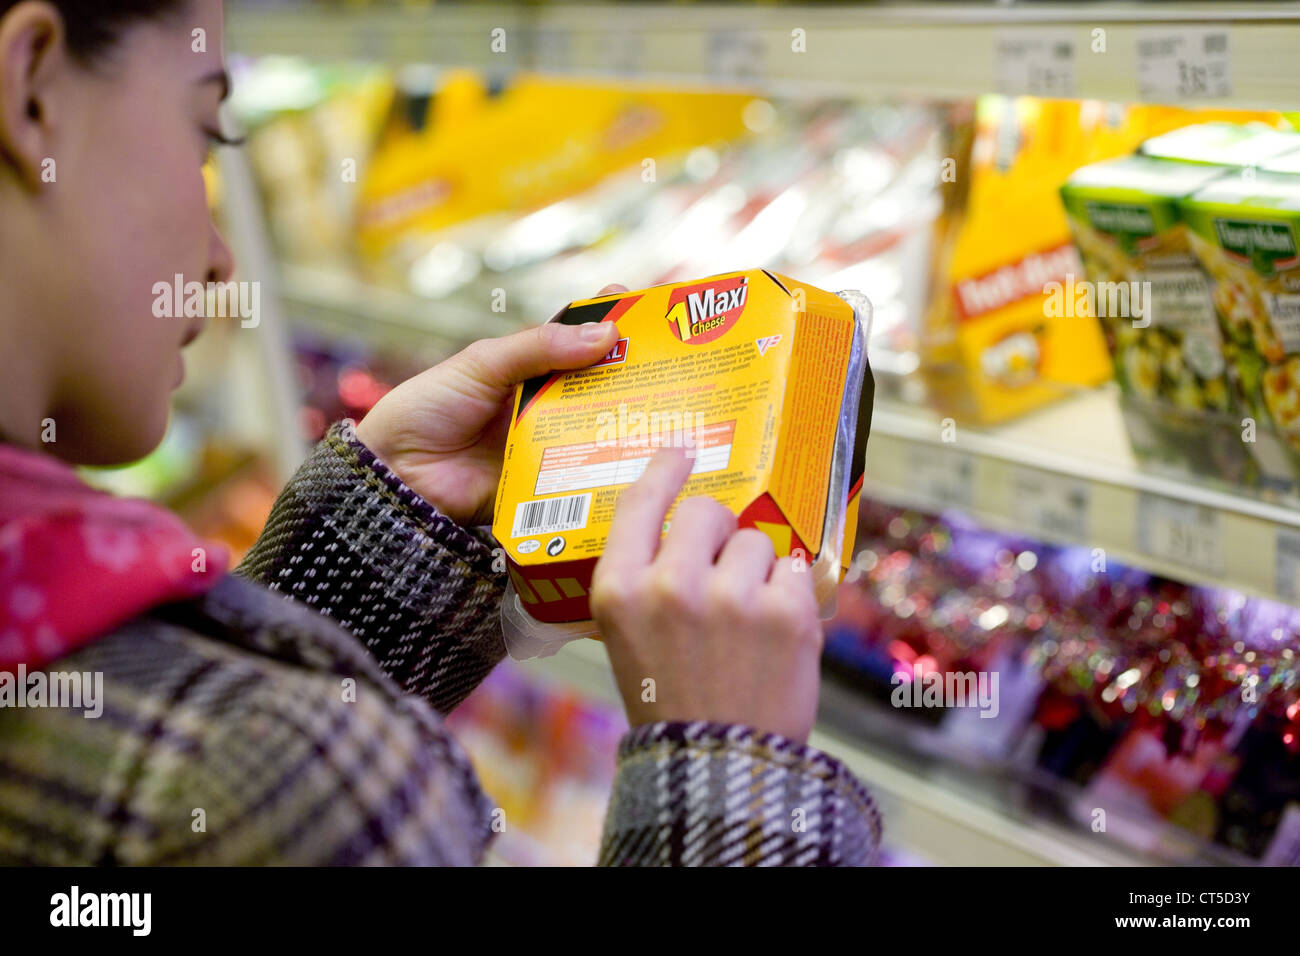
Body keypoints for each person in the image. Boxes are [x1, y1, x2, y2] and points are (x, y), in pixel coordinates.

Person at [0, 0, 880, 865]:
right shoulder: (249, 775)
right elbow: (250, 775)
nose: (222, 257)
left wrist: (384, 539)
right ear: (32, 89)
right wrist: (729, 777)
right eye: (206, 136)